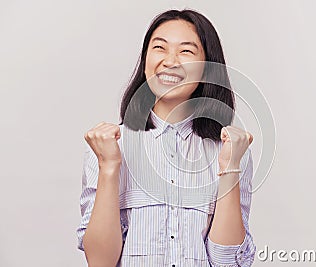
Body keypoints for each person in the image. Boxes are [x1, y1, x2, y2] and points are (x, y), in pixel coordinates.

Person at [77, 9, 256, 267]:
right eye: (159, 48)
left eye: (186, 51)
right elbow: (100, 261)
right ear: (146, 59)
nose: (170, 61)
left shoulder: (230, 149)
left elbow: (227, 263)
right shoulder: (109, 146)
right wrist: (108, 168)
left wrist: (230, 169)